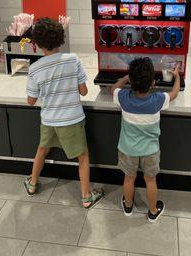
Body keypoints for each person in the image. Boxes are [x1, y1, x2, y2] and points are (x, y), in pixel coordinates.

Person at [24, 17, 103, 209]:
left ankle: (32, 184)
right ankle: (86, 196)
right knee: (82, 157)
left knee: (42, 149)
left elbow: (31, 100)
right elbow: (83, 91)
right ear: (60, 38)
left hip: (49, 119)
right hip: (72, 119)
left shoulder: (34, 68)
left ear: (37, 42)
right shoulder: (72, 59)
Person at [111, 57, 180, 222]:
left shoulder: (123, 97)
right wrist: (177, 77)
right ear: (153, 84)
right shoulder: (158, 100)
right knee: (150, 180)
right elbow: (174, 93)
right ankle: (152, 211)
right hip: (150, 151)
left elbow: (113, 88)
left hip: (128, 149)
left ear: (132, 82)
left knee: (129, 178)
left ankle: (128, 206)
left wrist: (126, 78)